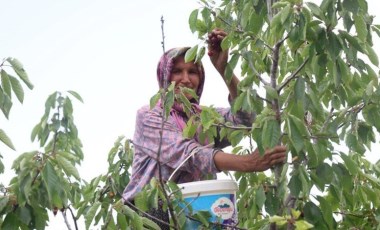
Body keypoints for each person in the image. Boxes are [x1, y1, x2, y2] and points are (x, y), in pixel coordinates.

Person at [122, 29, 287, 229]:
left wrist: (224, 68)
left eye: (192, 72)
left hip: (197, 208)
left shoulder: (204, 118)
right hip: (151, 212)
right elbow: (187, 154)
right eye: (177, 71)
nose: (185, 79)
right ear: (164, 76)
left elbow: (245, 120)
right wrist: (247, 163)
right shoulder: (150, 115)